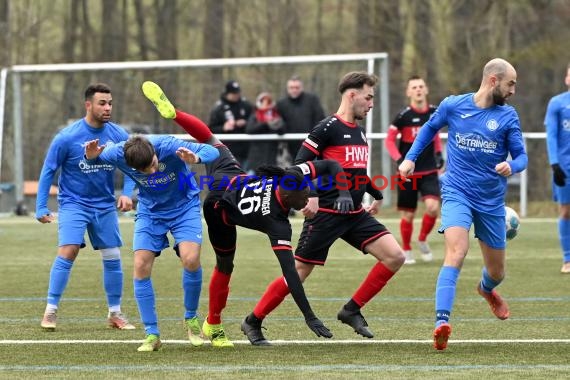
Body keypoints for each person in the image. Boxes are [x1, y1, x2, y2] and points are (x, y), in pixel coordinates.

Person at [141, 80, 352, 347]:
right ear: (287, 195)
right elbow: (290, 274)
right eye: (305, 195)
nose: (308, 198)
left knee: (210, 140)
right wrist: (309, 316)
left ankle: (174, 114)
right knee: (225, 265)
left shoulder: (291, 176)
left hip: (230, 174)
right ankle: (214, 324)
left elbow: (332, 165)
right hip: (220, 209)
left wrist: (344, 193)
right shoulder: (278, 224)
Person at [244, 71, 406, 344]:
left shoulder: (360, 132)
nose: (371, 104)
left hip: (354, 214)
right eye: (368, 97)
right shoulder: (326, 128)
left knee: (395, 256)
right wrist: (313, 196)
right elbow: (299, 167)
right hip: (326, 215)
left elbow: (355, 173)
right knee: (298, 273)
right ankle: (253, 320)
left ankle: (351, 310)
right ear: (351, 95)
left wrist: (375, 193)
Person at [398, 58, 528, 351]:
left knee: (497, 273)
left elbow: (522, 157)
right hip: (457, 192)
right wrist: (410, 158)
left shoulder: (508, 117)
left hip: (491, 201)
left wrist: (511, 165)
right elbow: (429, 130)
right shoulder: (454, 105)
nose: (513, 91)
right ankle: (441, 323)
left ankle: (486, 289)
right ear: (494, 80)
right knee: (457, 251)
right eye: (511, 84)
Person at [84, 132, 220, 352]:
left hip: (184, 206)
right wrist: (90, 156)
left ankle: (191, 318)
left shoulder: (168, 145)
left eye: (153, 164)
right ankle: (152, 334)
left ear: (155, 153)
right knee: (140, 265)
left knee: (191, 259)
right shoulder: (115, 153)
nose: (152, 171)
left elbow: (212, 150)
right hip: (150, 212)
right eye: (144, 171)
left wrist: (195, 158)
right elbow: (95, 160)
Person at [36, 83, 136, 332]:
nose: (108, 108)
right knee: (69, 250)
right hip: (73, 203)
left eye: (110, 103)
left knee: (112, 256)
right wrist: (40, 207)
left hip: (104, 205)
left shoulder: (118, 135)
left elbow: (132, 167)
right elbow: (49, 170)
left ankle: (115, 313)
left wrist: (126, 194)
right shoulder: (67, 137)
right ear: (88, 105)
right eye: (102, 103)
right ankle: (50, 311)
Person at [385, 75, 444, 264]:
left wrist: (438, 153)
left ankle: (422, 239)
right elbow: (389, 141)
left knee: (433, 208)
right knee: (408, 215)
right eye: (414, 87)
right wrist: (400, 160)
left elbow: (434, 135)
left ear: (426, 90)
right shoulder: (403, 116)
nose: (418, 90)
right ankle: (407, 249)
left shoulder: (435, 112)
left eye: (421, 86)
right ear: (408, 92)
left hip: (428, 171)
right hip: (407, 173)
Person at [544, 62, 570, 274]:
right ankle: (568, 259)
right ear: (567, 78)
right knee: (566, 211)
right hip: (565, 167)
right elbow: (551, 135)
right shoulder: (557, 103)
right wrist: (554, 164)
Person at [276, 75, 326, 161]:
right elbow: (279, 125)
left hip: (311, 145)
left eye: (297, 87)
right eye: (291, 87)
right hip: (290, 148)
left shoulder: (312, 100)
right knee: (294, 172)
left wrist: (314, 138)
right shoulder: (281, 104)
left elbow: (320, 119)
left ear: (302, 88)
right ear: (287, 89)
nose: (294, 90)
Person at [208, 80, 254, 170]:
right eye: (233, 93)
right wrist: (223, 127)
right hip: (226, 151)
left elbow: (254, 121)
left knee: (245, 178)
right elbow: (210, 129)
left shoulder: (246, 105)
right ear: (227, 93)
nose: (236, 95)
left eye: (237, 93)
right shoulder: (219, 108)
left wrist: (245, 123)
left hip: (245, 151)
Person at [245, 91, 285, 169]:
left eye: (268, 102)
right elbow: (249, 129)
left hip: (272, 155)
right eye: (263, 102)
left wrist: (276, 126)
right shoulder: (254, 115)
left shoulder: (276, 115)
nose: (265, 105)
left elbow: (282, 130)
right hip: (256, 156)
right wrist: (265, 123)